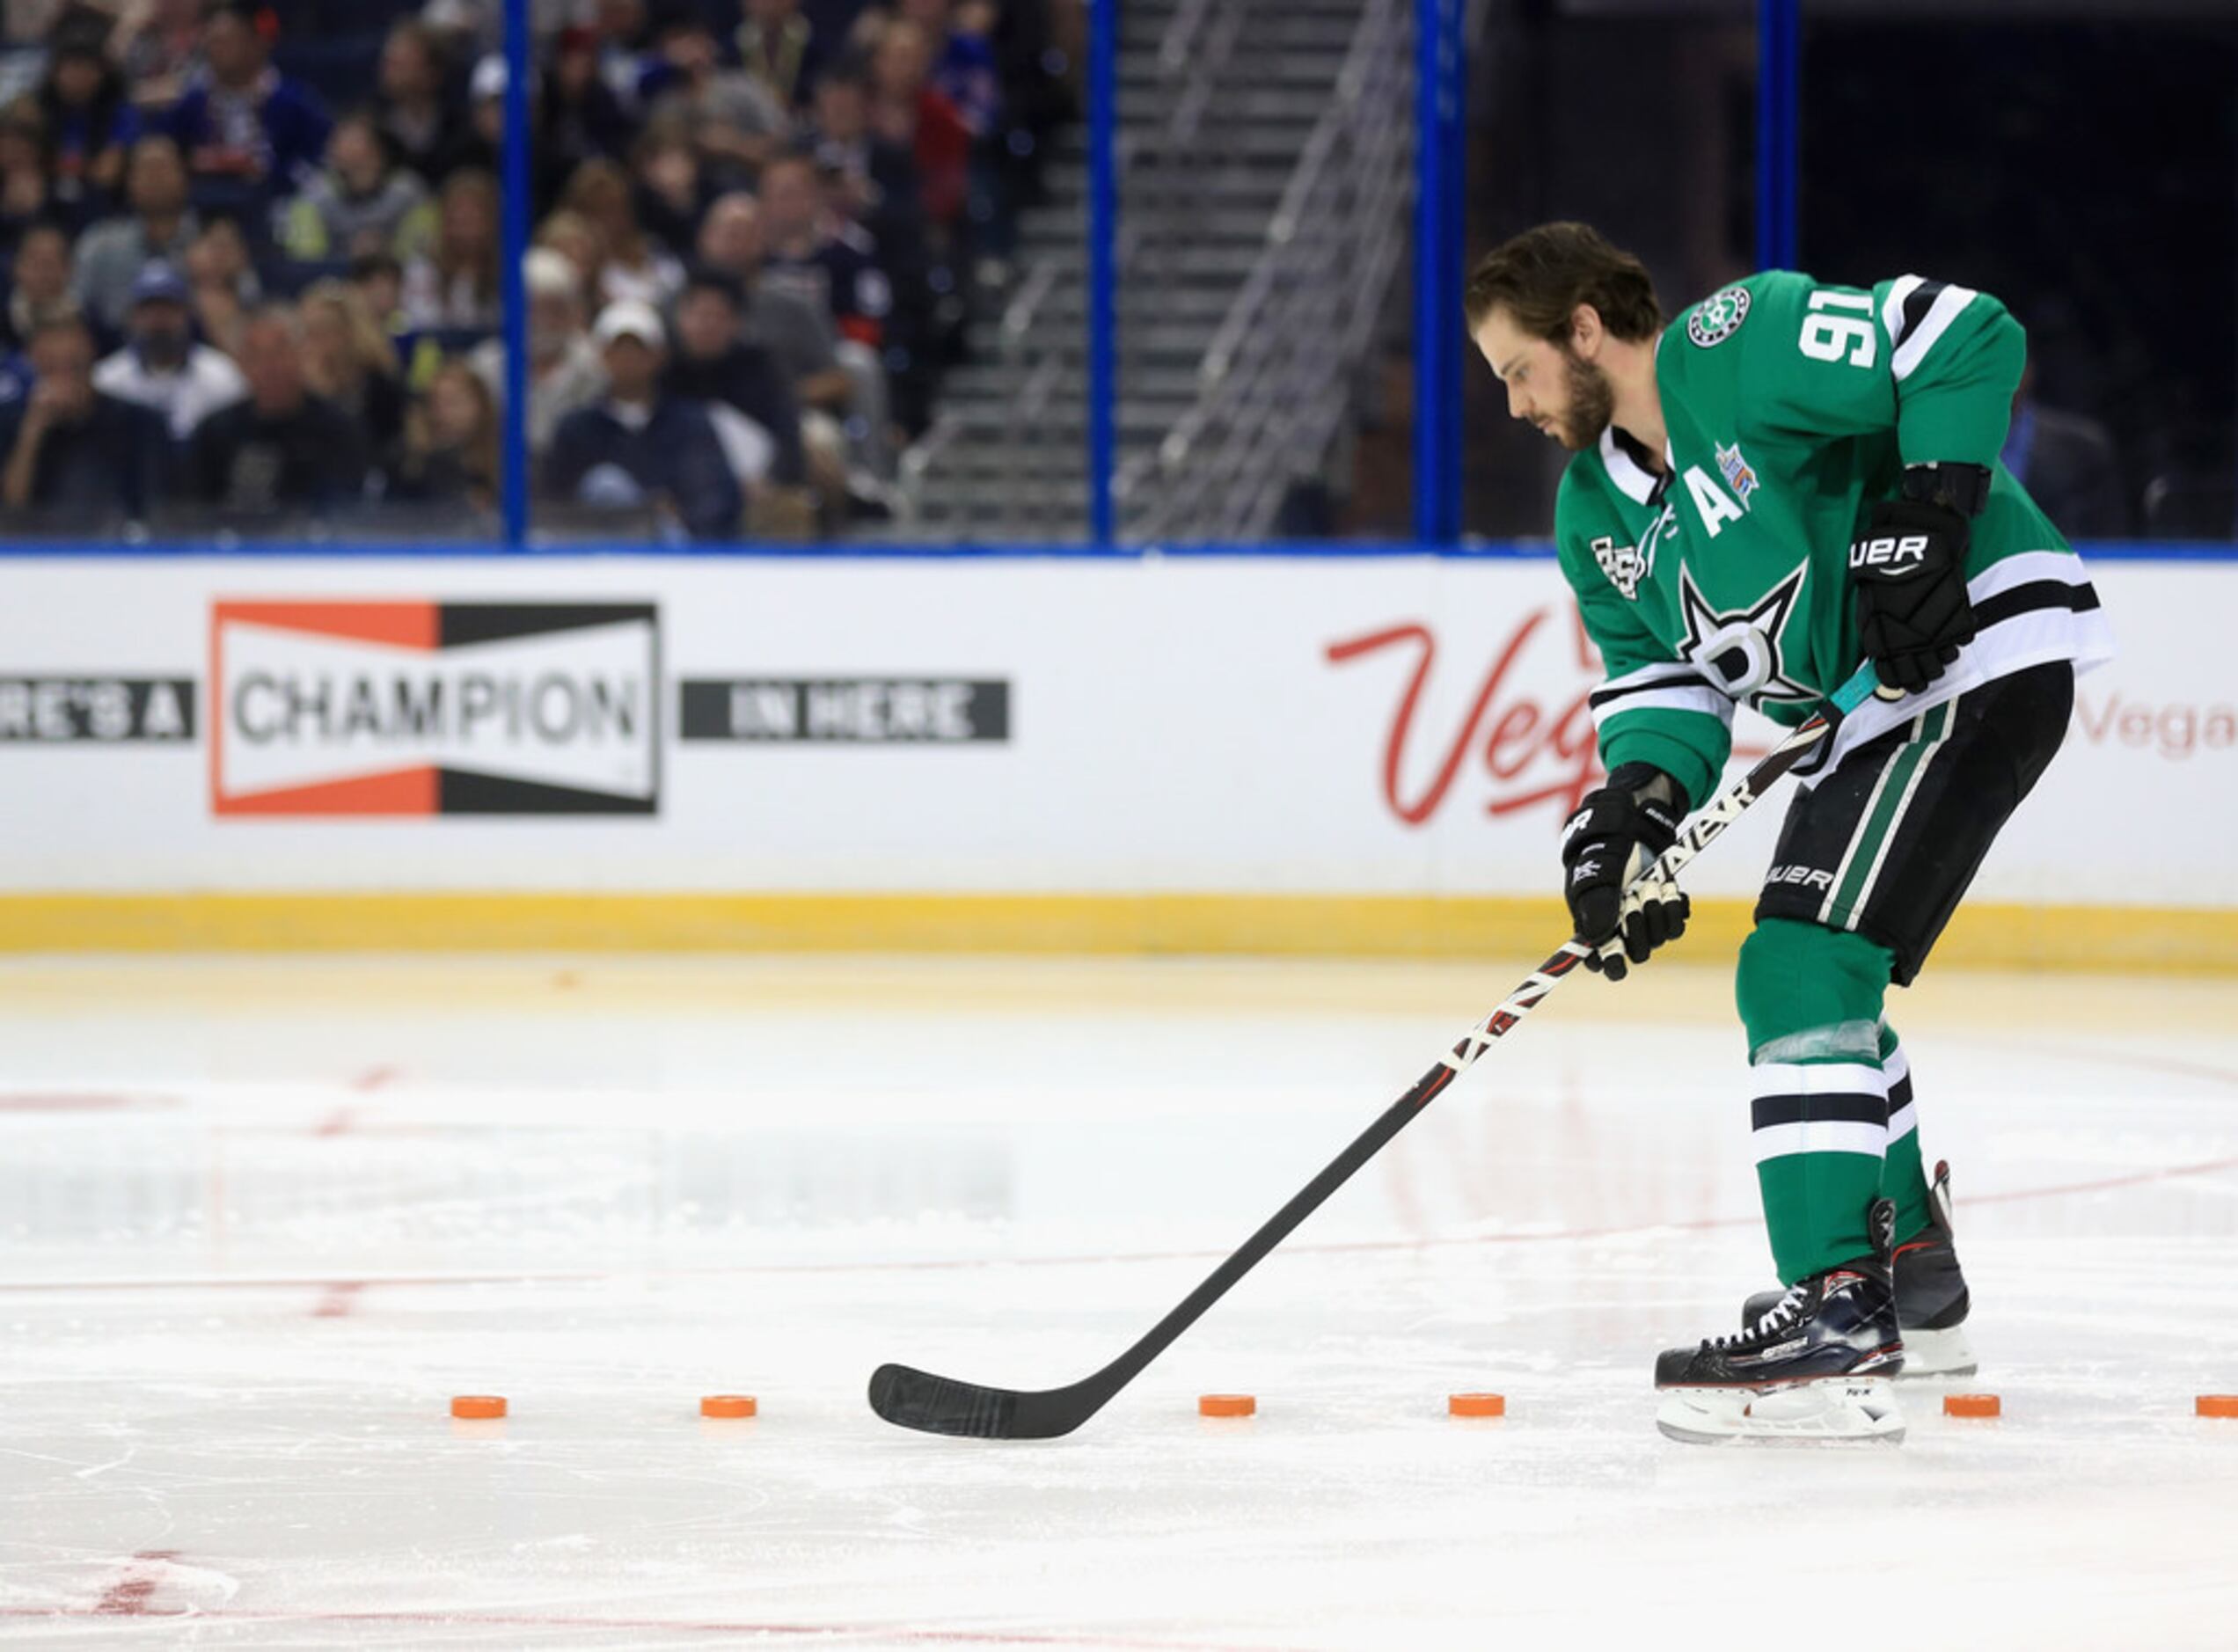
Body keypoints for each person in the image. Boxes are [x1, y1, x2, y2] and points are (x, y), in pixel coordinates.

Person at [1464, 223, 2114, 1444]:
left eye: (1520, 370)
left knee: (1799, 961)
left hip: (1974, 652)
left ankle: (1836, 1310)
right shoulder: (1592, 508)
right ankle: (1910, 1273)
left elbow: (1965, 333)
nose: (1513, 404)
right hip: (1867, 713)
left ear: (1585, 331)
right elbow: (1665, 690)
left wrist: (1931, 502)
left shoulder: (1737, 344)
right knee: (1823, 973)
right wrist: (1627, 815)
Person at [541, 297, 741, 541]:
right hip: (597, 548)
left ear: (659, 356)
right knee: (605, 483)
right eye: (618, 349)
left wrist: (677, 514)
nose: (628, 359)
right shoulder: (577, 428)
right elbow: (555, 503)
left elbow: (713, 495)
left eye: (638, 349)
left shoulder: (688, 423)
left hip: (673, 552)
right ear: (602, 356)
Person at [184, 303, 369, 513]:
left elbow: (345, 513)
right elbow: (191, 513)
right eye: (257, 356)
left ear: (301, 355)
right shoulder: (214, 432)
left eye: (280, 352)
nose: (270, 367)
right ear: (242, 364)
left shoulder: (338, 430)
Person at [0, 312, 170, 517]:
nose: (64, 379)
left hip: (117, 541)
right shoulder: (9, 421)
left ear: (92, 357)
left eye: (74, 366)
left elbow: (155, 508)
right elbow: (12, 509)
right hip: (36, 544)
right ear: (33, 362)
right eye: (52, 368)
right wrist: (32, 434)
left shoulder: (137, 422)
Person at [665, 264, 807, 492]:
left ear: (737, 323)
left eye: (718, 316)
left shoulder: (761, 367)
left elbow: (787, 435)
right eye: (699, 314)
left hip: (756, 486)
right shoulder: (661, 368)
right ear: (681, 317)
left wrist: (770, 480)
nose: (707, 325)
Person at [166, 2, 333, 194]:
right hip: (205, 202)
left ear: (254, 44)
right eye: (211, 42)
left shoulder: (293, 101)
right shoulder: (192, 104)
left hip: (275, 202)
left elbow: (320, 161)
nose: (215, 51)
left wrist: (271, 171)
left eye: (226, 42)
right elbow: (169, 152)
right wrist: (193, 161)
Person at [91, 258, 245, 440]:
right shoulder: (107, 381)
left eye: (168, 310)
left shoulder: (222, 375)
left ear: (187, 315)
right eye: (149, 311)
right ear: (133, 317)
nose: (159, 321)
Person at [69, 132, 196, 332]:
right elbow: (75, 308)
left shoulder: (210, 244)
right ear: (129, 182)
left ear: (185, 177)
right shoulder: (100, 244)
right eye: (146, 170)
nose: (155, 179)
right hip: (110, 353)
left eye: (163, 168)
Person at [284, 110, 433, 261]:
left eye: (352, 139)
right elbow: (305, 259)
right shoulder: (314, 194)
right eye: (337, 139)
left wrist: (384, 256)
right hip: (334, 279)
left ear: (379, 150)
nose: (338, 146)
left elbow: (421, 252)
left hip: (398, 276)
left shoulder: (410, 192)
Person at [388, 358, 496, 508]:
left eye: (453, 402)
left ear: (480, 405)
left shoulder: (505, 457)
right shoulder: (408, 460)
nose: (442, 413)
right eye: (435, 403)